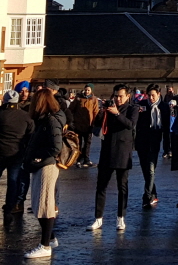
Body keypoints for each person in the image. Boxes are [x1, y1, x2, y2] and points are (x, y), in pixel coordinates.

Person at [23, 88, 66, 258]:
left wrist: (39, 157)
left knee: (45, 205)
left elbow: (56, 146)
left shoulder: (50, 121)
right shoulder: (43, 120)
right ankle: (51, 238)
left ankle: (45, 246)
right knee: (38, 204)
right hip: (40, 165)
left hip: (46, 166)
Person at [0, 90, 34, 218]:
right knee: (13, 182)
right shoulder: (25, 116)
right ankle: (9, 210)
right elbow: (30, 133)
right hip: (16, 154)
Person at [89, 84, 136, 231]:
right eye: (115, 96)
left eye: (121, 96)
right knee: (101, 186)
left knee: (122, 187)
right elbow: (96, 125)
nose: (118, 99)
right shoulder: (109, 108)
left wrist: (116, 114)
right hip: (107, 151)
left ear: (128, 96)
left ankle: (121, 218)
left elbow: (130, 124)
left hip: (123, 152)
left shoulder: (132, 109)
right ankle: (98, 219)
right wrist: (102, 111)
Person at [134, 84, 169, 209]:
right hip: (142, 141)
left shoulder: (164, 107)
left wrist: (167, 147)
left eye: (153, 95)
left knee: (151, 169)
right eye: (149, 95)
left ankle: (147, 196)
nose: (151, 98)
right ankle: (153, 194)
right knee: (145, 170)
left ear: (159, 94)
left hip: (155, 140)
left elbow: (166, 128)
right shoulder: (141, 105)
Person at [69, 85, 100, 168]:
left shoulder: (94, 99)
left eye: (88, 90)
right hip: (78, 124)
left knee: (87, 143)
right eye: (86, 90)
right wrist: (72, 121)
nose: (86, 91)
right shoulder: (78, 98)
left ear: (91, 91)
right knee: (78, 142)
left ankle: (86, 159)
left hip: (88, 124)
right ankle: (78, 159)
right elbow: (71, 109)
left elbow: (95, 111)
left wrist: (94, 123)